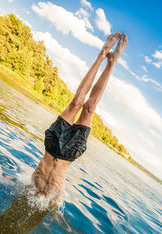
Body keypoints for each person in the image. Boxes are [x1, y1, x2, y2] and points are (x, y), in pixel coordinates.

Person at [32, 32, 128, 197]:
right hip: (61, 154)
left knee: (84, 105)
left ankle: (109, 61)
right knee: (81, 104)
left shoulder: (54, 198)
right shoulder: (34, 189)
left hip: (61, 152)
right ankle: (104, 56)